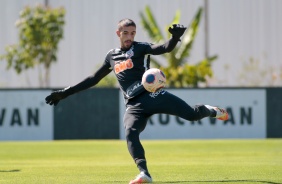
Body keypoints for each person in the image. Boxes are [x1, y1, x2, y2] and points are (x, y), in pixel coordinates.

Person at [45, 18, 229, 184]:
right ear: (118, 33)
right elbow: (93, 78)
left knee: (192, 114)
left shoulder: (140, 48)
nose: (129, 37)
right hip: (134, 105)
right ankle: (145, 174)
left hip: (153, 95)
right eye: (126, 33)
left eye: (132, 33)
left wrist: (174, 39)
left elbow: (164, 48)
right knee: (130, 133)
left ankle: (211, 110)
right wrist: (66, 93)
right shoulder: (112, 56)